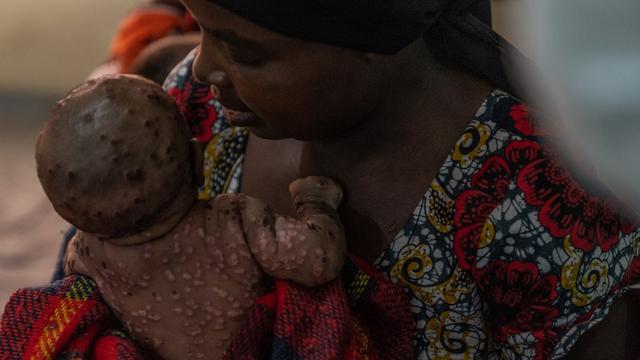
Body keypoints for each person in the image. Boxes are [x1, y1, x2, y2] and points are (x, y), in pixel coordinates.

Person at [2, 0, 639, 359]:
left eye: (245, 50)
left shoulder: (541, 193)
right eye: (201, 29)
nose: (201, 70)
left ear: (372, 42)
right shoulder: (190, 118)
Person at [35, 74, 347, 359]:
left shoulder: (85, 253)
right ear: (199, 162)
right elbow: (319, 261)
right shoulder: (235, 221)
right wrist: (316, 204)